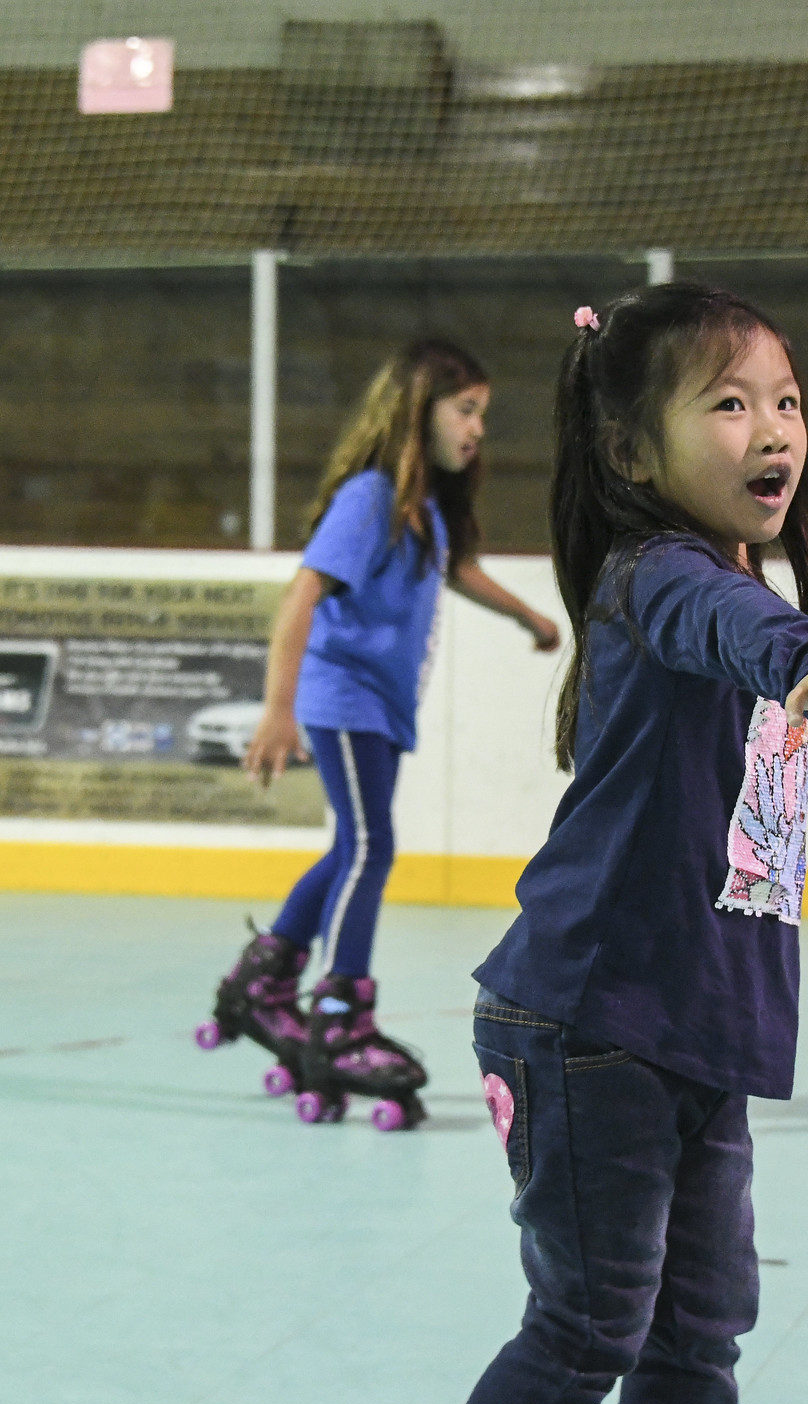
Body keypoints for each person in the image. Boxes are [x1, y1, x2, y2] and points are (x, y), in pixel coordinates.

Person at [320, 286, 808, 1404]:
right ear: (638, 453)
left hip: (691, 1021)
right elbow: (723, 626)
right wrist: (797, 657)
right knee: (591, 1315)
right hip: (586, 1017)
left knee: (704, 1315)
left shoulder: (740, 581)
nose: (771, 428)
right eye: (727, 403)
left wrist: (792, 639)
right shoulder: (667, 580)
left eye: (783, 400)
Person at [196, 339, 560, 1130]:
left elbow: (455, 569)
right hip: (344, 697)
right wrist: (278, 710)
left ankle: (263, 981)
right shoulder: (366, 497)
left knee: (350, 848)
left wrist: (527, 615)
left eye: (482, 415)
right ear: (416, 409)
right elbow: (302, 596)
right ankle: (341, 1013)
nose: (476, 429)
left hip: (379, 709)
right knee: (371, 846)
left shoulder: (418, 506)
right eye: (465, 410)